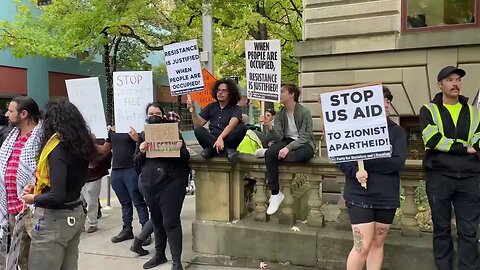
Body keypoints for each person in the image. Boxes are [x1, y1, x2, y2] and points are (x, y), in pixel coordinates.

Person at [21, 100, 96, 270]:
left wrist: (33, 198)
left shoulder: (57, 149)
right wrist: (39, 188)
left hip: (54, 220)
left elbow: (57, 196)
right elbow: (68, 183)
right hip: (75, 214)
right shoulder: (80, 146)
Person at [338, 86, 407, 270]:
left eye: (388, 101)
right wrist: (355, 172)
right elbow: (342, 160)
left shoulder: (397, 132)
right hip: (360, 194)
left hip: (386, 196)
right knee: (362, 246)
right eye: (380, 100)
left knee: (378, 243)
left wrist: (368, 164)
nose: (385, 104)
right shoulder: (354, 129)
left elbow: (397, 162)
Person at [420, 66, 480, 270]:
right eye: (450, 80)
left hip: (470, 178)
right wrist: (465, 147)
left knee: (469, 231)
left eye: (458, 80)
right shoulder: (429, 110)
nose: (455, 83)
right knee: (441, 228)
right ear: (440, 84)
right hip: (439, 177)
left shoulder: (474, 111)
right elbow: (433, 140)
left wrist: (455, 146)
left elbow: (479, 142)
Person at [134, 102, 190, 270]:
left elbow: (185, 158)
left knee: (171, 222)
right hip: (150, 185)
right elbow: (136, 162)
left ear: (163, 115)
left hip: (171, 184)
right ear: (146, 116)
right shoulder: (143, 136)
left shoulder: (174, 133)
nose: (154, 116)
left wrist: (180, 148)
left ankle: (176, 262)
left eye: (157, 113)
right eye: (151, 114)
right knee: (157, 222)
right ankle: (159, 256)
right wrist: (142, 151)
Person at [0, 97, 43, 270]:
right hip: (10, 206)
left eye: (11, 111)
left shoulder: (40, 138)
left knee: (24, 258)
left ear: (24, 114)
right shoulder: (11, 137)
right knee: (16, 256)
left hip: (29, 209)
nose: (6, 114)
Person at [263, 84, 315, 215]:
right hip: (286, 140)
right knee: (270, 154)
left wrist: (287, 148)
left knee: (300, 156)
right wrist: (270, 127)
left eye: (282, 92)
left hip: (304, 143)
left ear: (292, 94)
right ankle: (275, 193)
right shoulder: (280, 113)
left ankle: (271, 154)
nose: (279, 94)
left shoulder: (304, 112)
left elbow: (304, 137)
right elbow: (279, 136)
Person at [97, 122, 150, 243]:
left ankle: (145, 230)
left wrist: (137, 138)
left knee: (138, 201)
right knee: (124, 202)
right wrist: (90, 141)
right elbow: (105, 149)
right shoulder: (113, 130)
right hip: (116, 170)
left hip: (131, 168)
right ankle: (127, 229)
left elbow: (145, 146)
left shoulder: (137, 127)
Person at [187, 78, 247, 163]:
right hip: (212, 139)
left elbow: (232, 124)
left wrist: (220, 138)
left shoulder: (236, 108)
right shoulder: (211, 106)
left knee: (242, 128)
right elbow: (199, 123)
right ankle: (227, 151)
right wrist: (193, 110)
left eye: (224, 90)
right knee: (198, 129)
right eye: (218, 90)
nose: (220, 92)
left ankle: (211, 151)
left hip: (228, 139)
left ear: (230, 94)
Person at [82, 138, 112, 233]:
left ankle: (92, 223)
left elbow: (106, 153)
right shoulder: (73, 145)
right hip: (80, 177)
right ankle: (80, 224)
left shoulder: (95, 143)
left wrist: (96, 161)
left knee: (91, 201)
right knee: (79, 203)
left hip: (93, 176)